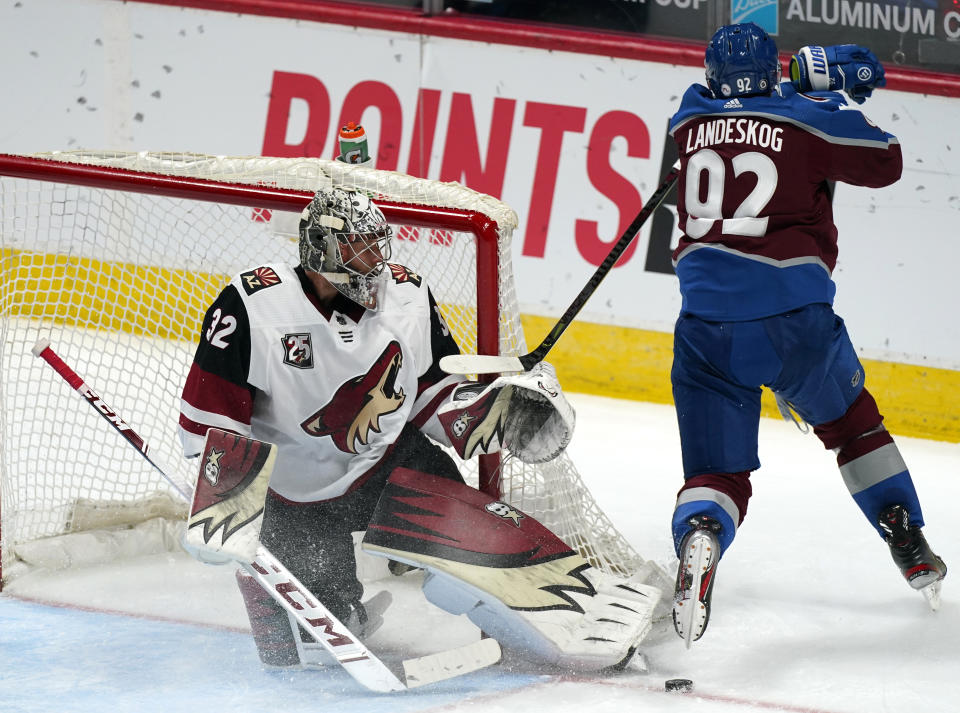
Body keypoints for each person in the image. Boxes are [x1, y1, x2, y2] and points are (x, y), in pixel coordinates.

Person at [178, 186, 658, 670]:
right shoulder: (251, 306)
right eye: (355, 247)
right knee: (309, 649)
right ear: (319, 249)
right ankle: (328, 605)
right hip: (290, 496)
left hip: (383, 468)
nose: (373, 260)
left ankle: (542, 627)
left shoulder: (407, 293)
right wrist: (227, 510)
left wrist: (491, 415)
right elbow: (210, 423)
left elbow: (428, 390)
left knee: (468, 534)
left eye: (375, 244)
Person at [666, 23, 947, 645]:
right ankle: (904, 533)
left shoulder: (685, 121)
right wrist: (827, 94)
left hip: (705, 328)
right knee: (853, 427)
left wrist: (786, 88)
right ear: (775, 74)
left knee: (716, 472)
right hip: (796, 321)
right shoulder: (805, 121)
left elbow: (725, 103)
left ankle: (703, 537)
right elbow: (887, 160)